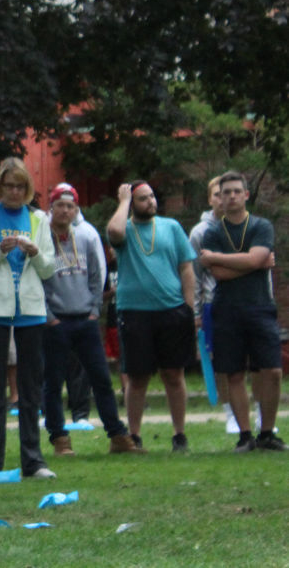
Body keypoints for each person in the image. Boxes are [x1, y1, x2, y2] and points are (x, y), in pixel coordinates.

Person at [0, 157, 56, 478]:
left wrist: (35, 253)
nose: (15, 192)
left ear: (28, 189)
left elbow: (49, 269)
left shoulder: (39, 220)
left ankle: (33, 461)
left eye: (21, 186)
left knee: (30, 387)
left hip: (31, 310)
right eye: (9, 186)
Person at [41, 183, 136, 456]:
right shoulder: (41, 237)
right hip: (55, 321)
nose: (65, 210)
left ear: (76, 209)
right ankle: (59, 437)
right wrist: (48, 316)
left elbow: (98, 272)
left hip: (85, 319)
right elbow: (34, 278)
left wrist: (95, 309)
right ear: (52, 207)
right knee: (53, 381)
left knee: (101, 378)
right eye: (60, 205)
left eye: (70, 206)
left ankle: (117, 435)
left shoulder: (86, 235)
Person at [198, 171, 285, 452]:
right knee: (233, 373)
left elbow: (257, 257)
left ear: (246, 195)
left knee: (271, 370)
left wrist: (219, 258)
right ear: (219, 198)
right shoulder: (212, 232)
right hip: (226, 309)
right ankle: (245, 436)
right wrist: (252, 263)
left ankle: (267, 432)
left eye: (237, 191)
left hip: (260, 306)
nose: (232, 196)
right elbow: (220, 274)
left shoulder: (261, 226)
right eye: (226, 192)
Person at [106, 181, 196, 453]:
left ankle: (179, 434)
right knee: (138, 376)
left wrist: (189, 307)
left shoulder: (171, 227)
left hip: (172, 311)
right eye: (143, 199)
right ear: (132, 204)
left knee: (173, 374)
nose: (151, 202)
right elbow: (114, 231)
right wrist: (123, 201)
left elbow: (186, 267)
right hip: (134, 313)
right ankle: (134, 435)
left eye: (153, 197)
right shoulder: (125, 230)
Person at [189, 175, 241, 434]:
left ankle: (255, 411)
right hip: (212, 303)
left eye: (228, 193)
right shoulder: (200, 233)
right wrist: (196, 312)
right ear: (210, 199)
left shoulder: (245, 226)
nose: (224, 199)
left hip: (244, 301)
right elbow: (195, 275)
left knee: (249, 360)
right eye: (218, 194)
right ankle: (230, 411)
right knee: (220, 360)